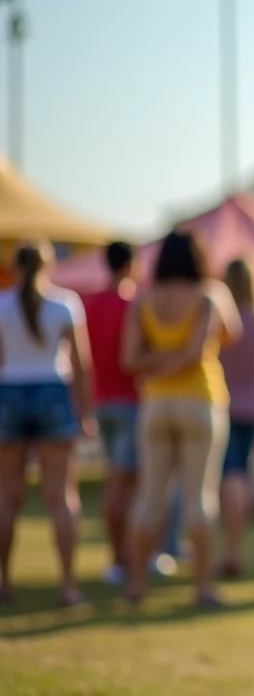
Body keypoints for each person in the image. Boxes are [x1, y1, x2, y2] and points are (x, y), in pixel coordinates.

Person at [122, 230, 241, 606]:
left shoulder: (144, 300)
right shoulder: (210, 294)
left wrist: (157, 364)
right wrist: (179, 358)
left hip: (155, 403)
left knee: (150, 496)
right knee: (199, 496)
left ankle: (136, 584)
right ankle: (203, 586)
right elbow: (220, 339)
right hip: (201, 402)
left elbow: (131, 359)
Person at [0, 240, 95, 606]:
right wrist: (84, 413)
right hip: (53, 393)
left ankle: (4, 582)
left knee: (7, 498)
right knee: (61, 496)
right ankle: (68, 585)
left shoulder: (2, 304)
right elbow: (81, 364)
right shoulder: (65, 303)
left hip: (9, 394)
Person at [82, 241, 141, 585]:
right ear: (130, 265)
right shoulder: (134, 303)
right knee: (124, 485)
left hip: (101, 401)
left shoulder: (91, 303)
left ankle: (122, 558)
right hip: (130, 402)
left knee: (117, 481)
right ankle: (123, 559)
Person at [216, 257, 254, 578]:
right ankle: (233, 549)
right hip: (253, 407)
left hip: (221, 405)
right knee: (240, 475)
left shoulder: (221, 318)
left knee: (229, 477)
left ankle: (228, 551)